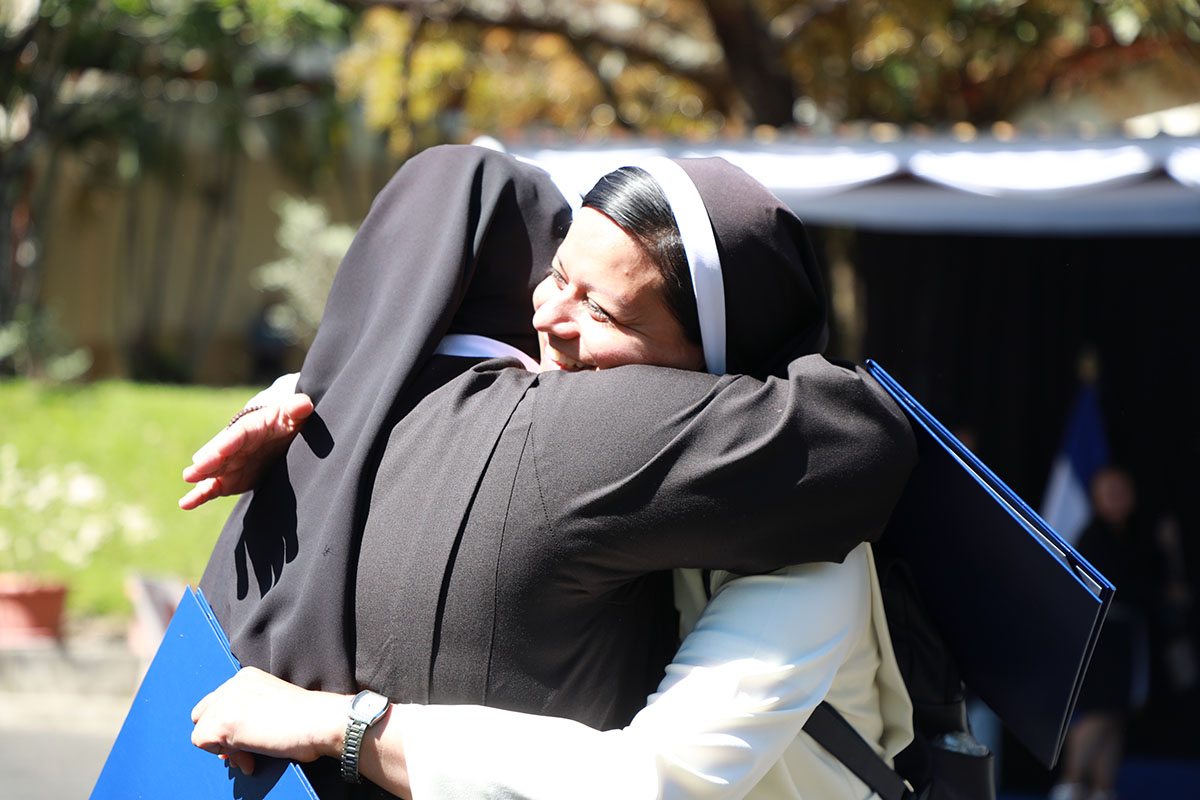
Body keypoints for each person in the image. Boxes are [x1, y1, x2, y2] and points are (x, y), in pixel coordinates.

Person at [187, 146, 916, 798]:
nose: (547, 319)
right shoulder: (594, 400)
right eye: (558, 274)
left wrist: (343, 727)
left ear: (714, 367)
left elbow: (650, 784)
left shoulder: (813, 568)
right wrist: (307, 402)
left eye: (600, 310)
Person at [1051, 466, 1150, 800]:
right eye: (1110, 492)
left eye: (1123, 491)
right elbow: (1111, 589)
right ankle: (1069, 784)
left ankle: (1103, 790)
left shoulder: (1132, 535)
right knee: (1097, 713)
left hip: (1124, 638)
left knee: (1115, 716)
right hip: (1100, 639)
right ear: (1095, 497)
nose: (1118, 499)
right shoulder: (1094, 536)